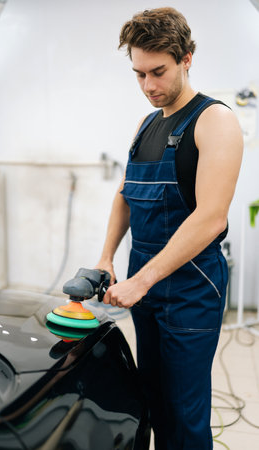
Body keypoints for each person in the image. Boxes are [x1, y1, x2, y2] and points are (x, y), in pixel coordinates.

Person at [95, 7, 243, 450]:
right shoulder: (146, 125)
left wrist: (143, 279)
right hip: (147, 279)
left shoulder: (214, 121)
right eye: (139, 75)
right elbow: (125, 193)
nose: (149, 87)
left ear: (187, 58)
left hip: (190, 286)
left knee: (184, 410)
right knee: (153, 399)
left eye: (158, 72)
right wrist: (106, 257)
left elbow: (211, 217)